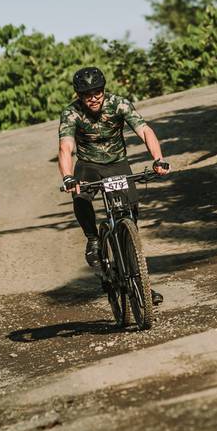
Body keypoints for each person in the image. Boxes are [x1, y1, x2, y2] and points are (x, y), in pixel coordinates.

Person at [58, 67, 169, 303]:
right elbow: (65, 146)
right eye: (87, 95)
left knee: (130, 221)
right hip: (88, 165)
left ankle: (142, 286)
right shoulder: (71, 113)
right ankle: (93, 239)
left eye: (97, 93)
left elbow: (144, 130)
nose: (93, 99)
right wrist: (67, 176)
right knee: (80, 196)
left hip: (117, 164)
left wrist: (158, 159)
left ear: (103, 90)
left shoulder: (119, 104)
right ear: (79, 95)